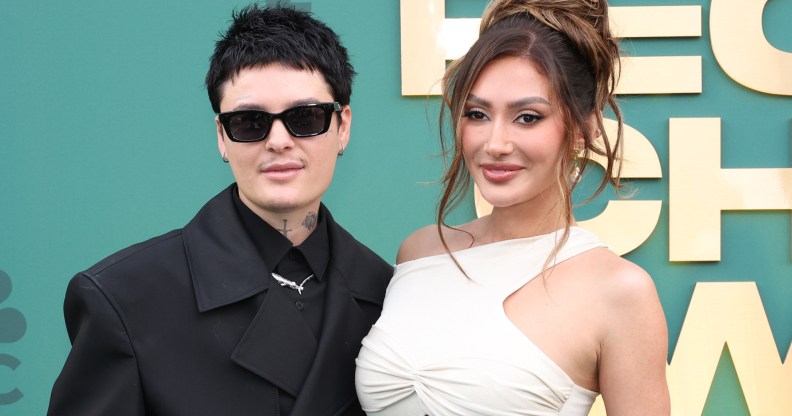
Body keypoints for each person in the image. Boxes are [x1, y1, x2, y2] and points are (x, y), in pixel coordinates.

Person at [48, 4, 392, 416]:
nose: (279, 141)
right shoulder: (124, 298)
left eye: (305, 117)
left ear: (343, 127)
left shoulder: (388, 293)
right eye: (250, 122)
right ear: (222, 137)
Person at [355, 0, 670, 414]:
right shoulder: (419, 252)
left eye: (527, 117)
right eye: (477, 114)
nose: (496, 143)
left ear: (584, 128)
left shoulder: (620, 292)